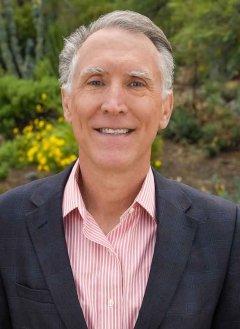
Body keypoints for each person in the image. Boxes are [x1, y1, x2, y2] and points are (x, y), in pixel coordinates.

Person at [0, 10, 239, 329]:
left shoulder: (225, 233)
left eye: (136, 83)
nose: (113, 104)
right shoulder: (6, 223)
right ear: (68, 103)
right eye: (95, 82)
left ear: (165, 108)